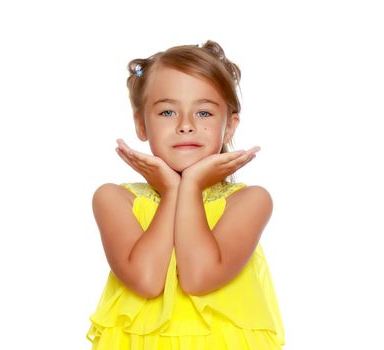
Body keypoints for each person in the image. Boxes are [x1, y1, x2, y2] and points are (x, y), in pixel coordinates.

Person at [86, 40, 284, 349]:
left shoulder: (250, 201)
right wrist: (172, 191)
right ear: (141, 124)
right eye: (167, 112)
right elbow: (147, 280)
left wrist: (189, 186)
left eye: (204, 113)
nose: (186, 126)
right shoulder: (113, 199)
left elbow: (199, 278)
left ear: (229, 126)